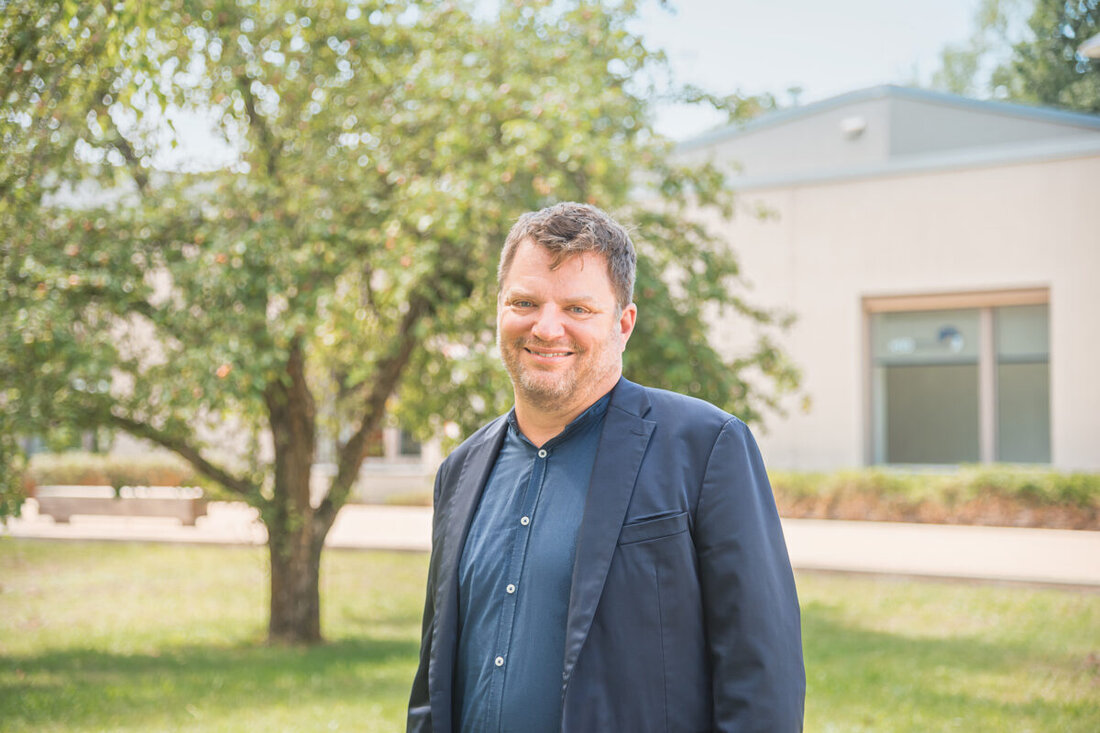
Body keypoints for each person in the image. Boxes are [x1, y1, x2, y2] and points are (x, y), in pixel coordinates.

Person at [408, 202, 805, 732]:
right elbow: (434, 682)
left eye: (578, 309)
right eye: (525, 302)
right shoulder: (460, 471)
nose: (547, 328)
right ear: (499, 311)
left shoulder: (706, 448)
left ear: (624, 323)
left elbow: (762, 680)